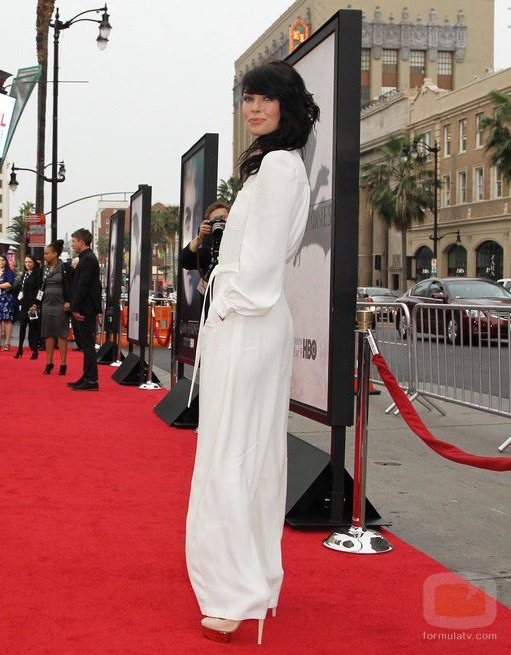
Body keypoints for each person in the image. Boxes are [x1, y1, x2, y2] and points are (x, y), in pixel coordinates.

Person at [186, 60, 317, 646]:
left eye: (266, 97)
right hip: (249, 321)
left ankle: (234, 592)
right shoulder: (274, 165)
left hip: (247, 320)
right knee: (249, 454)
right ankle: (254, 582)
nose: (255, 108)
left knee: (233, 453)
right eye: (248, 98)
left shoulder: (281, 168)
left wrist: (226, 308)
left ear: (288, 105)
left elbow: (260, 265)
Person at [67, 229, 103, 391]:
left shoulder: (88, 259)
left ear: (82, 242)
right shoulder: (86, 258)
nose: (72, 244)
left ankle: (92, 380)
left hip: (85, 309)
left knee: (88, 346)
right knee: (85, 345)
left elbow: (83, 286)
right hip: (85, 308)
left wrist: (75, 308)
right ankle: (87, 376)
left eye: (74, 241)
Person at [37, 240, 71, 376]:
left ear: (55, 254)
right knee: (48, 334)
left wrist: (68, 301)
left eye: (47, 253)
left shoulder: (65, 267)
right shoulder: (44, 269)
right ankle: (49, 363)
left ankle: (63, 364)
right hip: (46, 304)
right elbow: (41, 287)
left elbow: (70, 285)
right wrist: (36, 303)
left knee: (62, 334)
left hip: (61, 304)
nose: (45, 256)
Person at [13, 255, 42, 359]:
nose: (28, 264)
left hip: (33, 305)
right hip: (24, 304)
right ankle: (19, 349)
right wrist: (20, 300)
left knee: (33, 327)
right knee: (22, 326)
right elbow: (21, 289)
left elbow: (40, 290)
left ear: (34, 263)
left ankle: (35, 351)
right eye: (26, 262)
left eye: (30, 262)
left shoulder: (38, 273)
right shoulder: (25, 274)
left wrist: (36, 304)